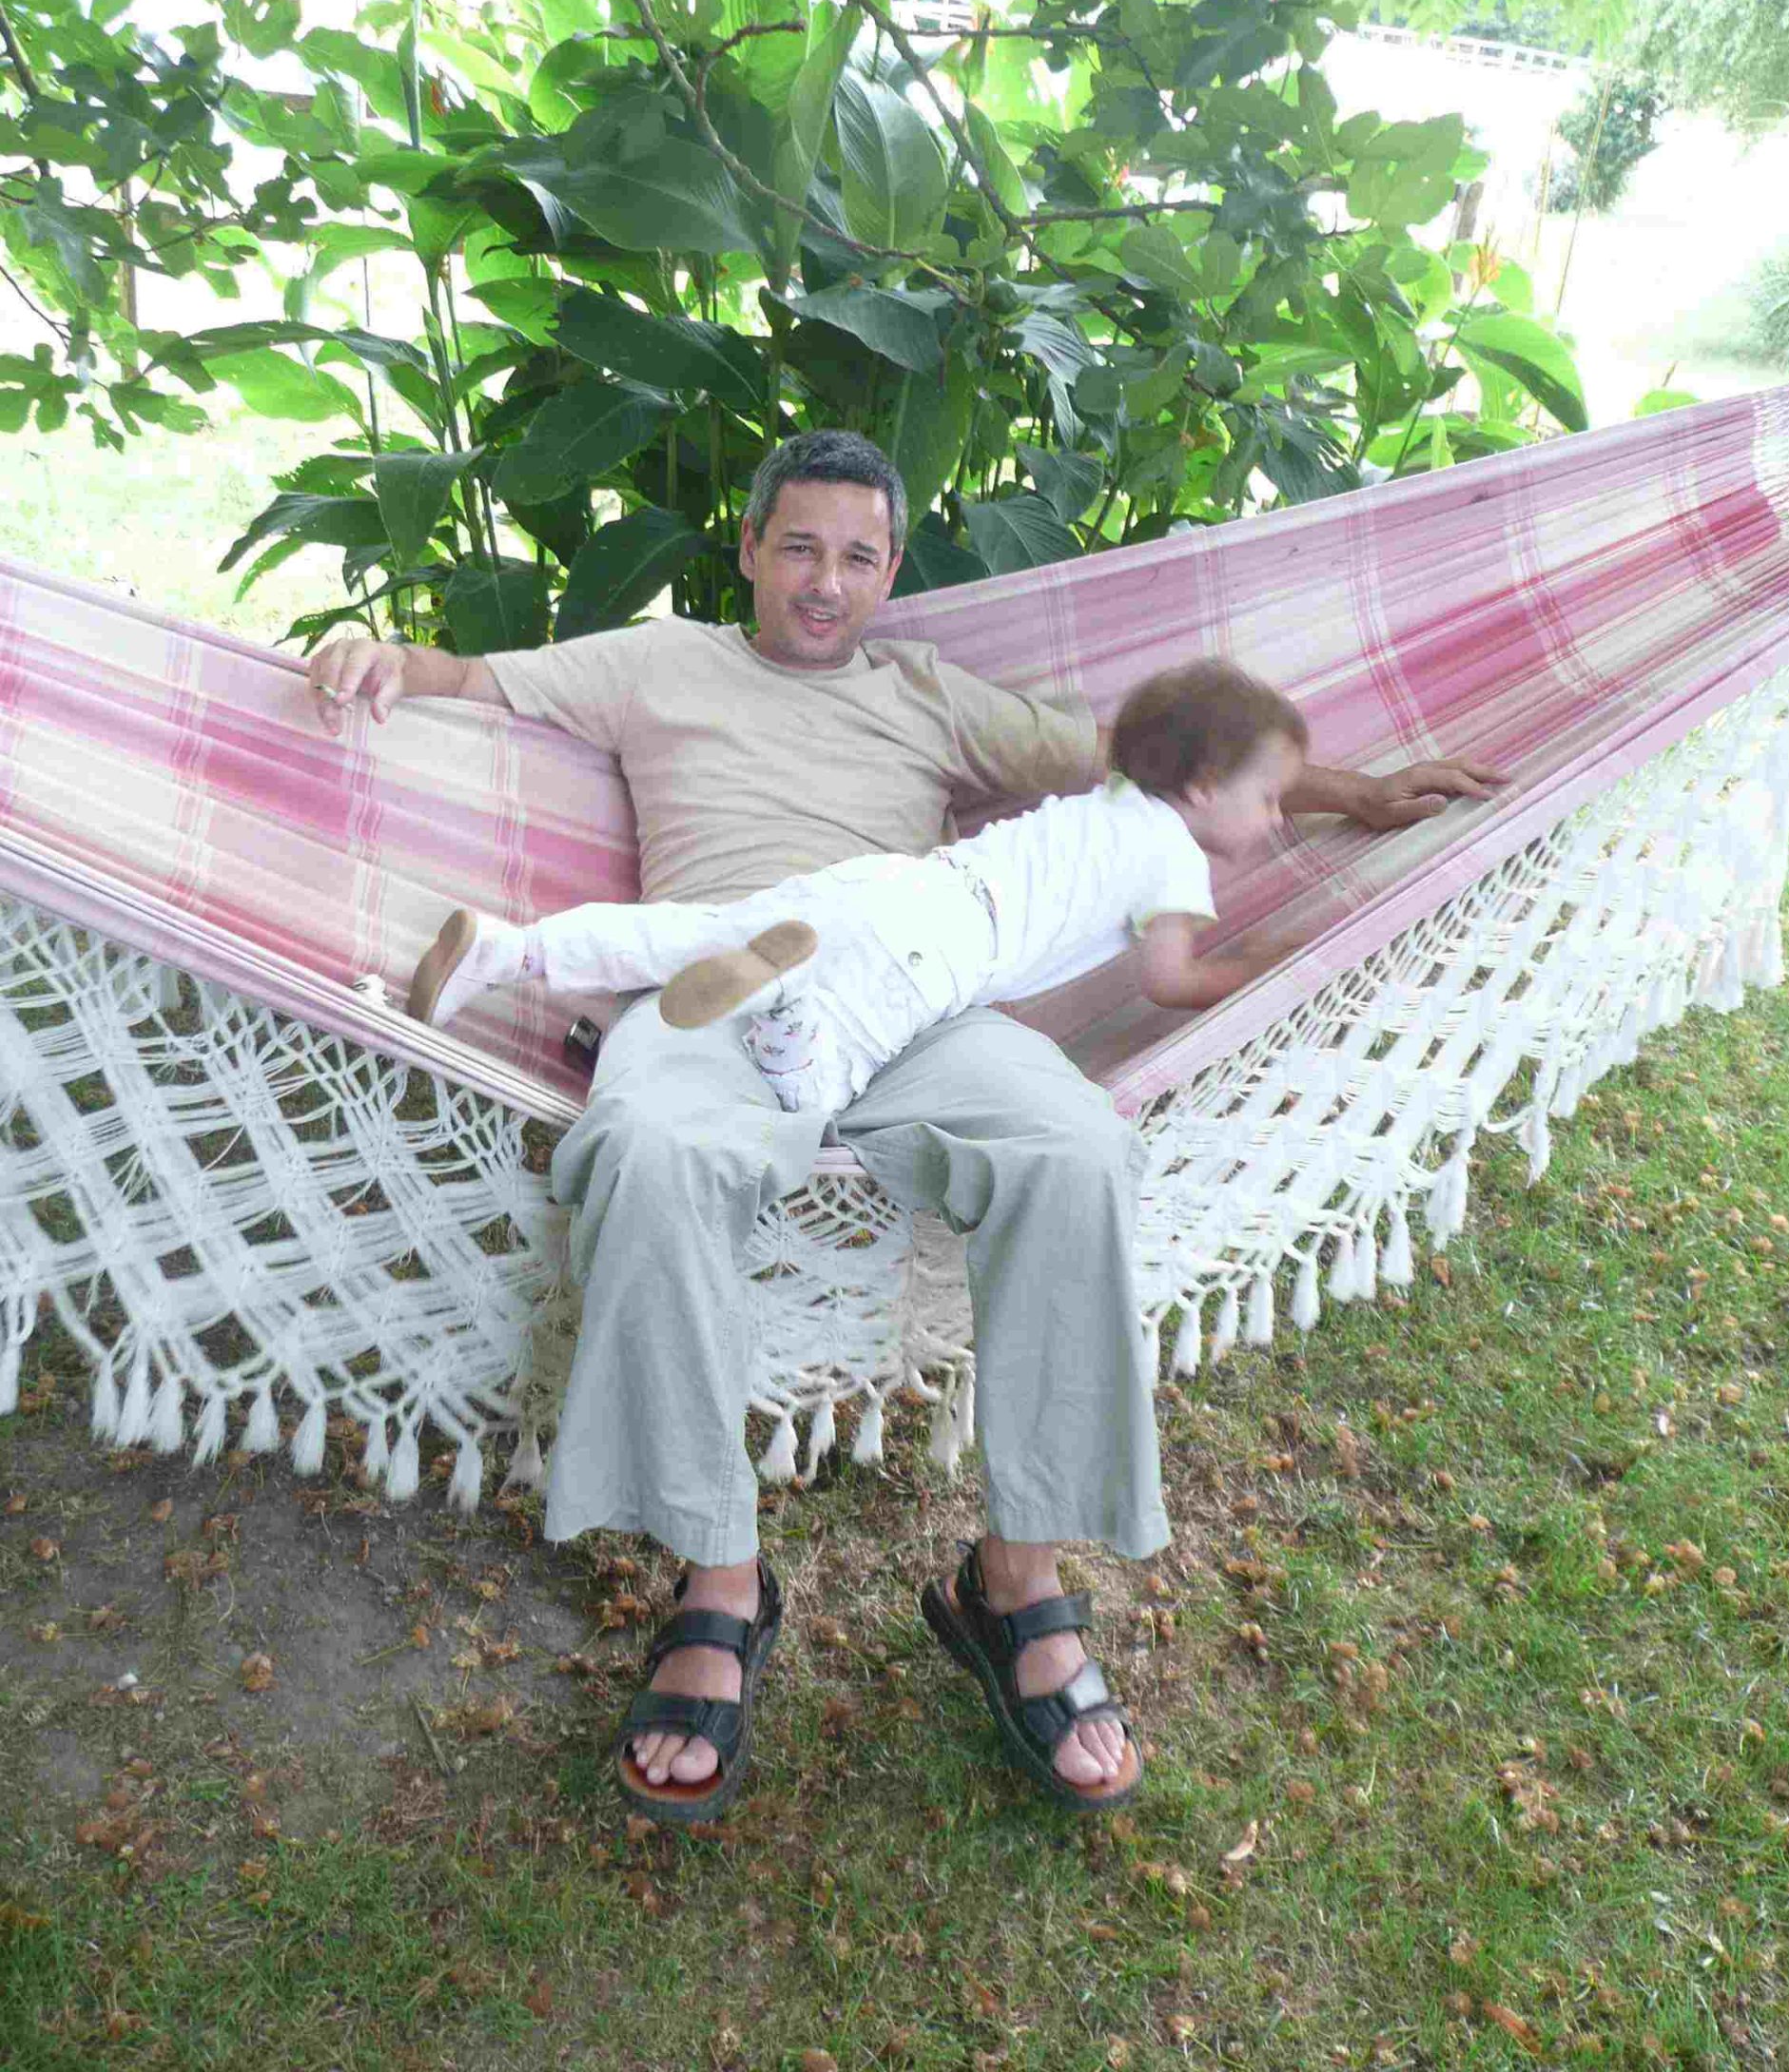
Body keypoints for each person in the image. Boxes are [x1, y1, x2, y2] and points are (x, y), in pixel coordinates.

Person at [306, 429, 1502, 1825]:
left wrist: (1356, 792)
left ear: (888, 572)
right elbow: (470, 677)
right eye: (799, 548)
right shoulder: (656, 662)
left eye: (860, 556)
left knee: (1074, 1149)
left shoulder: (925, 691)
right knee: (646, 1154)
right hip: (714, 999)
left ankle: (1017, 1583)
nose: (827, 582)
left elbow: (1165, 771)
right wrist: (379, 655)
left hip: (920, 1010)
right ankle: (719, 1581)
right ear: (748, 547)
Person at [402, 657, 1313, 1126]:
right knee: (818, 1095)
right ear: (1202, 787)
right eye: (1270, 797)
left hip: (890, 882)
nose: (1275, 818)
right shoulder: (1176, 862)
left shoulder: (1111, 799)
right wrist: (1269, 964)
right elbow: (1170, 979)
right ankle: (783, 1012)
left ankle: (510, 949)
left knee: (694, 929)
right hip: (944, 951)